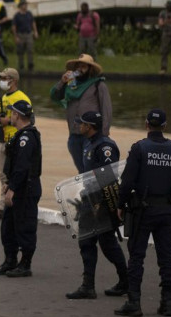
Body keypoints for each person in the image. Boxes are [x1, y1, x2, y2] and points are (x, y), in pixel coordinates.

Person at [114, 109, 171, 317]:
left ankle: (134, 303)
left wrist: (120, 204)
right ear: (165, 126)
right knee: (166, 259)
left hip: (142, 211)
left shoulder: (139, 148)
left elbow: (127, 181)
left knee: (136, 257)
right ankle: (168, 303)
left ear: (146, 124)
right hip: (166, 211)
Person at [65, 111, 128, 300]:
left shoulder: (105, 147)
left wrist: (99, 203)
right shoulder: (88, 142)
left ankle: (125, 281)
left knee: (107, 244)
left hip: (100, 202)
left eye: (82, 124)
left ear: (90, 126)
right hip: (88, 199)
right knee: (86, 242)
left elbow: (108, 177)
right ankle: (88, 285)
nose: (79, 126)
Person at [0, 100, 41, 278]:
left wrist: (12, 189)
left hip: (25, 188)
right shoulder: (20, 135)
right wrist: (7, 182)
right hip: (16, 185)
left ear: (17, 115)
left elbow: (23, 167)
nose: (10, 116)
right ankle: (9, 260)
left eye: (12, 113)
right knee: (8, 226)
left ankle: (25, 264)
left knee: (25, 225)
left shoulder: (27, 137)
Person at [50, 54, 112, 172]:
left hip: (92, 136)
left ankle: (95, 190)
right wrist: (62, 82)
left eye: (83, 66)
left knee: (93, 170)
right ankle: (87, 190)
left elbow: (107, 110)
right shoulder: (70, 85)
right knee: (82, 171)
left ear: (90, 69)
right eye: (78, 66)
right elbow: (55, 96)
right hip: (74, 135)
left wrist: (103, 135)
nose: (80, 69)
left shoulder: (98, 85)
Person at [0, 68, 31, 220]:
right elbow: (0, 122)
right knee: (3, 175)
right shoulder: (3, 98)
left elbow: (30, 120)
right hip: (2, 141)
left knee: (15, 174)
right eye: (2, 77)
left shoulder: (21, 98)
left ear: (13, 80)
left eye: (5, 78)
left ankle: (11, 205)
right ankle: (3, 206)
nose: (2, 81)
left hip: (16, 141)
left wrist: (9, 120)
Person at [11, 0, 38, 71]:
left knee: (30, 49)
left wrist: (35, 32)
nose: (26, 6)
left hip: (28, 33)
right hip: (20, 34)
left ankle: (30, 65)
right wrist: (16, 36)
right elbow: (14, 26)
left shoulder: (29, 14)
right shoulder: (17, 16)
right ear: (20, 6)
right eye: (24, 5)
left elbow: (33, 23)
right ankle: (21, 66)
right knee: (20, 51)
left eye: (26, 5)